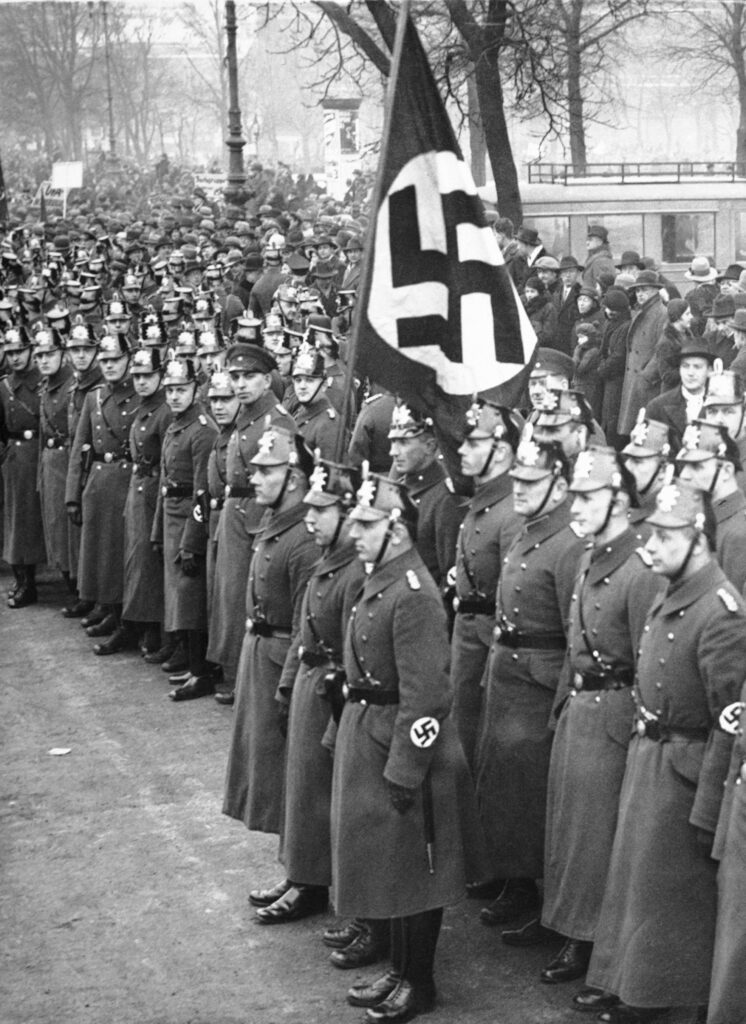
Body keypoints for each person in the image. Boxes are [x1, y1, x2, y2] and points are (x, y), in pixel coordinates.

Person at [582, 476, 746, 1023]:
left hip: (685, 775)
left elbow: (729, 722)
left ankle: (667, 1004)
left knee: (673, 908)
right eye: (649, 535)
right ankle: (640, 992)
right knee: (640, 894)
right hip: (652, 758)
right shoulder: (673, 591)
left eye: (665, 539)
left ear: (699, 539)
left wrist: (708, 812)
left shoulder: (721, 612)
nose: (649, 549)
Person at [331, 466, 483, 1023]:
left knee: (418, 874)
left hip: (406, 747)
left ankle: (419, 981)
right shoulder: (381, 579)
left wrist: (405, 768)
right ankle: (398, 969)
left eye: (365, 526)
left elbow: (426, 696)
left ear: (395, 530)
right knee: (391, 867)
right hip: (375, 731)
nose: (354, 533)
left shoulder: (413, 593)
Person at [540, 447, 661, 992]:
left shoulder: (638, 570)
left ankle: (595, 947)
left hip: (614, 717)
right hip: (581, 710)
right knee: (571, 832)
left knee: (599, 839)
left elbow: (649, 662)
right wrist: (563, 703)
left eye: (587, 497)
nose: (576, 506)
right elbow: (574, 639)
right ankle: (571, 928)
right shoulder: (592, 556)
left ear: (617, 500)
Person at [475, 428, 585, 933]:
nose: (518, 488)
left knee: (535, 796)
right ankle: (515, 881)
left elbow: (575, 633)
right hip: (508, 673)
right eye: (516, 478)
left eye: (531, 480)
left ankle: (539, 894)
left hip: (540, 681)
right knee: (506, 787)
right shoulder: (528, 526)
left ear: (559, 485)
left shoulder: (567, 544)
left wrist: (560, 699)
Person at [265, 456, 367, 944]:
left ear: (347, 514)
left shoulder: (354, 573)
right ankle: (300, 873)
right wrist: (286, 685)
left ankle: (317, 886)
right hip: (308, 679)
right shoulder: (324, 563)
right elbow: (302, 629)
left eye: (320, 512)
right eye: (307, 510)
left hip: (332, 691)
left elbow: (355, 650)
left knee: (325, 796)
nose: (308, 520)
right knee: (301, 790)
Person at [223, 425, 317, 875]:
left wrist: (288, 683)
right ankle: (293, 869)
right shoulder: (278, 524)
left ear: (294, 478)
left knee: (290, 774)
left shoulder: (303, 539)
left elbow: (306, 624)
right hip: (260, 654)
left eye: (265, 471)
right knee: (269, 769)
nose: (254, 478)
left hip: (282, 660)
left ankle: (304, 877)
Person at [206, 343, 296, 699]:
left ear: (267, 378)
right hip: (236, 512)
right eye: (236, 377)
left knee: (256, 596)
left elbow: (290, 478)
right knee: (230, 595)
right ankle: (233, 669)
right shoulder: (244, 416)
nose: (241, 384)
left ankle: (252, 677)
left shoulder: (277, 419)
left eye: (250, 377)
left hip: (263, 515)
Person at [451, 399, 521, 770]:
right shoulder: (485, 500)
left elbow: (513, 598)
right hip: (467, 638)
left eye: (474, 443)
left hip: (487, 645)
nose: (462, 450)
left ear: (502, 451)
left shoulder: (511, 511)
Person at [152, 357, 218, 699]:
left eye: (182, 390)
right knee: (181, 597)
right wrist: (156, 530)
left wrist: (192, 541)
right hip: (171, 516)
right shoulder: (177, 424)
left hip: (190, 522)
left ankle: (201, 671)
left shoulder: (203, 430)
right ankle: (193, 667)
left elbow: (201, 492)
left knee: (192, 600)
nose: (175, 396)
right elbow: (166, 478)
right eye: (171, 390)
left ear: (196, 389)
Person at [66, 331, 137, 647]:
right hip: (97, 482)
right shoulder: (93, 397)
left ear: (129, 360)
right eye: (105, 359)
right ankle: (109, 607)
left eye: (115, 359)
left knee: (123, 554)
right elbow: (79, 447)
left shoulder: (139, 396)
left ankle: (125, 618)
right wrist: (73, 494)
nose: (109, 365)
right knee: (102, 555)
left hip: (127, 481)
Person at [119, 347, 171, 658]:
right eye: (137, 376)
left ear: (160, 376)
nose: (141, 381)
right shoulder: (143, 408)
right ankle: (138, 623)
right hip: (138, 487)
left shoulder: (164, 411)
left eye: (147, 375)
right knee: (136, 560)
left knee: (150, 564)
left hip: (153, 491)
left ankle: (154, 628)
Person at [387, 402, 465, 590]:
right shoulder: (398, 489)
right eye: (393, 442)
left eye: (403, 443)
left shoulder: (445, 500)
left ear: (430, 446)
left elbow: (451, 575)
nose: (393, 452)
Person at [0, 324, 45, 608]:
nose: (16, 357)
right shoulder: (3, 387)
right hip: (15, 458)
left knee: (38, 520)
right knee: (17, 521)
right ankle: (23, 580)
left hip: (40, 453)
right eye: (11, 351)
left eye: (21, 351)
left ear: (31, 351)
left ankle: (38, 581)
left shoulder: (43, 382)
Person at [61, 320, 103, 619]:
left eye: (87, 349)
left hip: (99, 469)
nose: (81, 355)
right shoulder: (76, 386)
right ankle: (86, 594)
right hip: (81, 466)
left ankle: (99, 600)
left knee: (101, 542)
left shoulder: (100, 389)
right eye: (75, 350)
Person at [676, 420, 746, 592]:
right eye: (684, 465)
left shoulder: (738, 534)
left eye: (696, 467)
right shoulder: (718, 517)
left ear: (727, 471)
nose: (684, 475)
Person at [35, 326, 74, 593]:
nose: (44, 360)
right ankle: (71, 584)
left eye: (50, 354)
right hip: (50, 461)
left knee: (70, 528)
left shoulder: (72, 386)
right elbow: (42, 434)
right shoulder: (45, 387)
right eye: (39, 356)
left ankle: (80, 588)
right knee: (55, 525)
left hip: (68, 461)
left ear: (62, 354)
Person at [617, 271, 671, 438]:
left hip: (647, 383)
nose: (640, 294)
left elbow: (662, 350)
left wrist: (646, 376)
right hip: (636, 381)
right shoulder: (641, 312)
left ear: (656, 290)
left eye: (645, 290)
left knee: (646, 431)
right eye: (638, 290)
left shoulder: (662, 313)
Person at [645, 339, 713, 445]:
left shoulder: (718, 407)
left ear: (709, 371)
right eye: (685, 366)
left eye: (697, 367)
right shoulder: (657, 407)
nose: (690, 373)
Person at [289, 341, 339, 459]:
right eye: (298, 380)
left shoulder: (328, 424)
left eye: (310, 380)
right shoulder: (301, 411)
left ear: (324, 385)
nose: (302, 386)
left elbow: (329, 472)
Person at [597, 288, 632, 450]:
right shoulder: (611, 324)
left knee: (612, 417)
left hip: (616, 380)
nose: (606, 311)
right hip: (609, 379)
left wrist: (602, 369)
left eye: (609, 308)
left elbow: (618, 357)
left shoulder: (624, 327)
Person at [553, 255, 583, 355]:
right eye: (564, 272)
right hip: (556, 341)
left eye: (571, 272)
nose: (568, 275)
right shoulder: (556, 292)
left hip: (571, 341)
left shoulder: (581, 293)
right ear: (560, 275)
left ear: (578, 274)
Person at [582, 226, 616, 292]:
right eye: (587, 240)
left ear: (600, 242)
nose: (587, 243)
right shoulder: (596, 259)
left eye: (590, 239)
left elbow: (603, 287)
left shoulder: (601, 261)